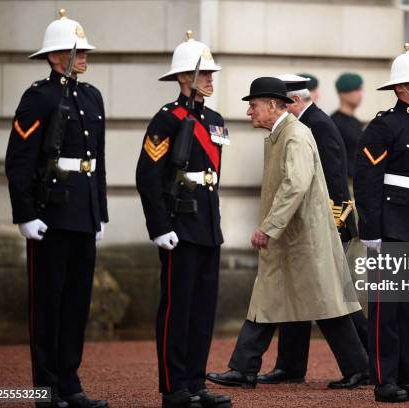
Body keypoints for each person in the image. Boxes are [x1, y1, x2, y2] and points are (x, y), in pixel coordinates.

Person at [206, 77, 368, 390]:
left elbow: (295, 184)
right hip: (294, 238)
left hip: (301, 239)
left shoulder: (294, 135)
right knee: (274, 297)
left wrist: (269, 227)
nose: (250, 112)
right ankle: (244, 367)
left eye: (253, 106)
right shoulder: (285, 134)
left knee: (325, 305)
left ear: (272, 105)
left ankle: (358, 367)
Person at [5, 8, 108, 408]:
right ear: (54, 56)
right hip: (50, 215)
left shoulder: (91, 95)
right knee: (47, 305)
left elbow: (97, 161)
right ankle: (44, 393)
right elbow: (19, 161)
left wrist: (99, 213)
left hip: (82, 214)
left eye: (82, 51)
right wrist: (25, 213)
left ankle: (70, 384)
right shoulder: (38, 97)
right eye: (75, 51)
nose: (83, 57)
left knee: (76, 304)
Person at [135, 30, 231, 408]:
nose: (210, 79)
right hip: (179, 225)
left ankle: (195, 382)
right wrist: (159, 227)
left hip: (207, 224)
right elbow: (148, 176)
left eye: (210, 73)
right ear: (183, 78)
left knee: (203, 311)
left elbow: (213, 177)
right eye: (203, 73)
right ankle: (174, 388)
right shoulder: (166, 120)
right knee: (177, 310)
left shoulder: (216, 119)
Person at [253, 75, 367, 388]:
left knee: (333, 299)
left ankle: (368, 361)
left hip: (327, 224)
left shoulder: (314, 125)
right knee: (304, 293)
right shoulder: (308, 123)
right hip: (308, 225)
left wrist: (333, 225)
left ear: (295, 101)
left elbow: (332, 180)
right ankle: (290, 366)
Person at [354, 43, 409, 403]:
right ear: (400, 88)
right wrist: (371, 231)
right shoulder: (382, 126)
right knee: (386, 309)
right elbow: (368, 180)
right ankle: (384, 379)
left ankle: (408, 376)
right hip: (391, 228)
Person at [331, 73, 364, 179]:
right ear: (342, 94)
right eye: (355, 90)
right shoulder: (335, 122)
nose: (360, 94)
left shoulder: (355, 122)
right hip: (345, 180)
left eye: (360, 90)